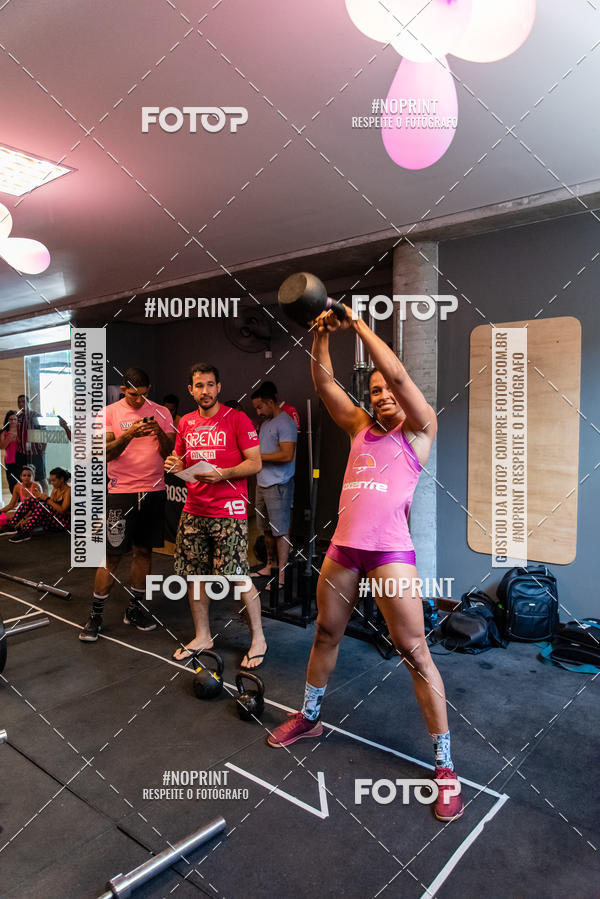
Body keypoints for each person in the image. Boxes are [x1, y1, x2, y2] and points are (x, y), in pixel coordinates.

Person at [266, 304, 464, 824]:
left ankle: (446, 767)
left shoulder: (420, 430)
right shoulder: (358, 426)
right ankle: (310, 717)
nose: (382, 395)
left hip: (389, 554)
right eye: (373, 391)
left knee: (414, 652)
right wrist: (321, 336)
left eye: (387, 390)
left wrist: (357, 325)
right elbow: (324, 384)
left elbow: (397, 374)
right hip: (344, 549)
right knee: (325, 633)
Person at [165, 362, 268, 670]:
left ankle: (259, 639)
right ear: (191, 390)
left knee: (238, 576)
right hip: (194, 509)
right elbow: (180, 460)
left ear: (219, 387)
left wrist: (224, 473)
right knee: (195, 576)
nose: (205, 391)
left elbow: (255, 463)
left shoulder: (237, 418)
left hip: (228, 510)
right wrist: (174, 464)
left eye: (210, 384)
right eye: (199, 385)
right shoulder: (186, 422)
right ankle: (203, 636)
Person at [79, 367, 176, 642]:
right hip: (121, 493)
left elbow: (169, 452)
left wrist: (159, 432)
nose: (138, 400)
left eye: (143, 395)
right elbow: (105, 452)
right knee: (112, 555)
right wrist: (130, 434)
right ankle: (95, 616)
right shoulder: (108, 413)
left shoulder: (162, 412)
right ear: (123, 390)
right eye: (133, 395)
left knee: (144, 553)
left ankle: (135, 610)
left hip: (154, 491)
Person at [250, 383, 297, 589]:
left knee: (280, 531)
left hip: (279, 484)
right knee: (266, 530)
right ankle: (270, 566)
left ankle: (283, 577)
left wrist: (258, 457)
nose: (258, 412)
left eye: (260, 407)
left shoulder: (285, 423)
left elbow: (287, 455)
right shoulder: (266, 422)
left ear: (270, 402)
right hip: (262, 483)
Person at [7, 467, 71, 543]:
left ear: (62, 479)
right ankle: (12, 525)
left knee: (43, 505)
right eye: (51, 480)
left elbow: (62, 511)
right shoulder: (56, 489)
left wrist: (46, 499)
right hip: (53, 520)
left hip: (63, 523)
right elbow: (51, 506)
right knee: (31, 500)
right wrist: (26, 518)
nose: (51, 483)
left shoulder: (68, 491)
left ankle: (26, 531)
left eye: (54, 480)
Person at [16, 394, 48, 493]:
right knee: (25, 478)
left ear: (28, 402)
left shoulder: (36, 415)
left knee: (41, 477)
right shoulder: (18, 417)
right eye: (19, 402)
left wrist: (43, 451)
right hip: (22, 454)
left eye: (23, 401)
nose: (21, 404)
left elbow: (44, 434)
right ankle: (28, 499)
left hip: (36, 453)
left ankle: (46, 497)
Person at [0, 465, 41, 532]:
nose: (26, 478)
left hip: (33, 512)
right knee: (5, 516)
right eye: (24, 475)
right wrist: (1, 511)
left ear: (33, 477)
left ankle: (15, 525)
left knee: (22, 520)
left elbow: (37, 507)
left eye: (29, 476)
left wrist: (24, 518)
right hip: (22, 511)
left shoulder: (36, 487)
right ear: (21, 477)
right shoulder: (17, 487)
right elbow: (11, 505)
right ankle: (13, 525)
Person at [1, 410, 20, 492]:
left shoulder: (21, 431)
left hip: (21, 460)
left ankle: (22, 499)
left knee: (22, 482)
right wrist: (8, 439)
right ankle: (14, 498)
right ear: (7, 420)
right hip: (9, 461)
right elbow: (2, 447)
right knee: (12, 483)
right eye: (10, 419)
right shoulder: (4, 432)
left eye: (15, 419)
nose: (13, 421)